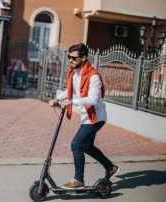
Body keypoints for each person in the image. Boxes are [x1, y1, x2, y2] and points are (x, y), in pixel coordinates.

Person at [49, 43, 119, 189]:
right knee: (87, 146)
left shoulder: (93, 76)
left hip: (96, 117)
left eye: (74, 58)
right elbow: (70, 91)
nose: (70, 60)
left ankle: (78, 179)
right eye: (69, 57)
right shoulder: (75, 73)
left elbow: (92, 99)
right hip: (86, 117)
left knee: (76, 144)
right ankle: (110, 167)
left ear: (84, 57)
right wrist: (59, 99)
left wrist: (71, 102)